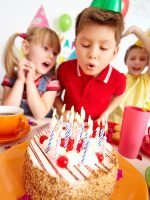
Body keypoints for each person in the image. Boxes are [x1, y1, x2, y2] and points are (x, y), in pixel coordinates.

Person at [54, 7, 126, 124]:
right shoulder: (64, 70)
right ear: (75, 44)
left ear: (114, 52)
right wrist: (63, 111)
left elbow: (119, 95)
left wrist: (106, 113)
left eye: (103, 48)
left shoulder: (118, 79)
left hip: (95, 131)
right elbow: (54, 95)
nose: (93, 54)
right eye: (85, 45)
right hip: (68, 128)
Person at [1, 27, 61, 119]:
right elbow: (8, 112)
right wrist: (20, 81)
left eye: (55, 53)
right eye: (45, 48)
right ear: (26, 47)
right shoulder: (10, 77)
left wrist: (29, 82)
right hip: (18, 129)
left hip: (42, 131)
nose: (51, 56)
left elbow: (40, 114)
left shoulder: (52, 82)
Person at [109, 25, 150, 124]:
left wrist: (136, 31)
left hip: (133, 127)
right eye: (132, 58)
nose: (137, 62)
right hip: (111, 123)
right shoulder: (119, 78)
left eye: (142, 59)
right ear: (125, 61)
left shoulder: (146, 80)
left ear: (147, 63)